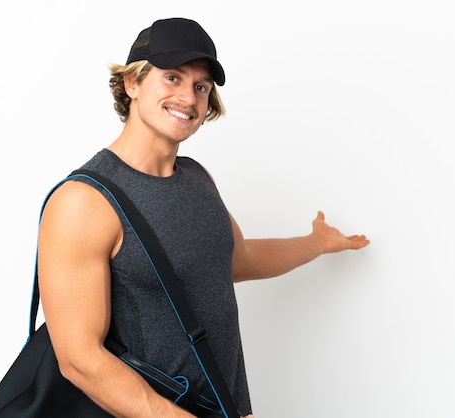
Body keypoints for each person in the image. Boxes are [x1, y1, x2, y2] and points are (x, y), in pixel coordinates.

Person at [37, 17, 370, 418]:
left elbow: (237, 259)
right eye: (173, 78)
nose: (190, 99)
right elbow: (79, 359)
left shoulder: (197, 178)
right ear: (132, 83)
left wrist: (316, 243)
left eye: (201, 87)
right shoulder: (84, 201)